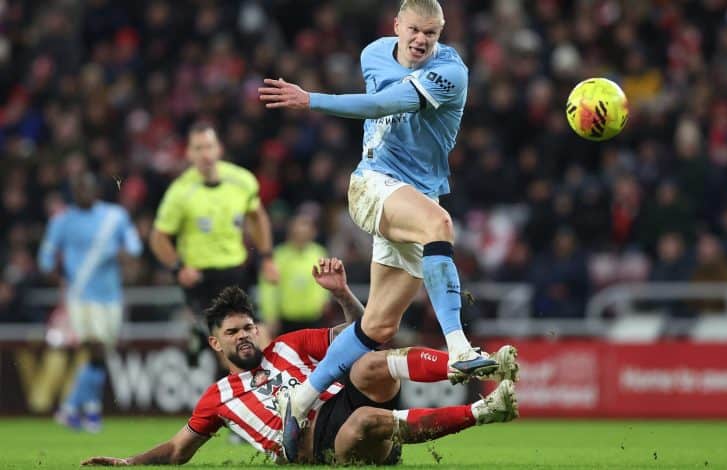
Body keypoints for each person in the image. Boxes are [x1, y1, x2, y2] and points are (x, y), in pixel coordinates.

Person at [258, 1, 503, 458]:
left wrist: (313, 99)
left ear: (440, 34)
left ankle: (301, 399)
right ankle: (460, 348)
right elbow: (378, 107)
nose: (421, 40)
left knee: (378, 325)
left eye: (431, 33)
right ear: (397, 26)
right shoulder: (373, 53)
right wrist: (314, 101)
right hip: (372, 184)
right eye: (414, 30)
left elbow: (383, 104)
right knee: (439, 225)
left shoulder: (451, 73)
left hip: (415, 196)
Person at [81, 258, 519, 466]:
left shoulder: (288, 346)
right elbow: (178, 450)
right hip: (321, 447)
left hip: (343, 401)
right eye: (232, 333)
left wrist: (341, 294)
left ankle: (467, 362)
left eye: (248, 327)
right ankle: (486, 410)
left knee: (368, 363)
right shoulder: (219, 398)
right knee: (365, 419)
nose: (244, 336)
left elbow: (364, 333)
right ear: (215, 344)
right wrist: (130, 463)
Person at [149, 122, 279, 359]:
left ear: (219, 149)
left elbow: (257, 217)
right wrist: (179, 268)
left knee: (261, 341)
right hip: (202, 279)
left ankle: (201, 341)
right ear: (189, 154)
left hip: (237, 273)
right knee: (229, 350)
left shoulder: (242, 181)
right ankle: (203, 342)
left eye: (209, 146)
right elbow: (158, 238)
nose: (205, 154)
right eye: (198, 148)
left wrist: (267, 257)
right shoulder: (180, 191)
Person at [38, 172, 142, 432]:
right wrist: (59, 277)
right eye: (78, 188)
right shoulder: (62, 220)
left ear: (96, 190)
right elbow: (45, 258)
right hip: (81, 296)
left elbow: (134, 246)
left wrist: (125, 254)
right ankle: (78, 408)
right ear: (73, 192)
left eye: (87, 187)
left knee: (101, 351)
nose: (83, 192)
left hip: (111, 295)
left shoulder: (115, 216)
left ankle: (83, 408)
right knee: (95, 347)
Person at [260, 213, 329, 335]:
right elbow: (269, 288)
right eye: (298, 232)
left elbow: (326, 280)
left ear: (312, 233)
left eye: (305, 231)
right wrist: (270, 315)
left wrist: (324, 300)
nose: (301, 235)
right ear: (291, 232)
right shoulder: (279, 255)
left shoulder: (318, 253)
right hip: (286, 318)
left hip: (313, 316)